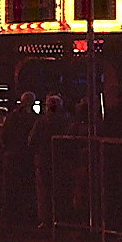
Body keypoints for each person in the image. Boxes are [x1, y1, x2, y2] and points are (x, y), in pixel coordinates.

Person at [28, 94, 72, 228]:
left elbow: (32, 140)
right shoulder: (67, 120)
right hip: (62, 160)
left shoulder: (41, 121)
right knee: (62, 190)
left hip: (44, 160)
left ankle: (46, 220)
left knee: (45, 192)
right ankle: (62, 218)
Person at [1, 91, 38, 221]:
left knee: (11, 187)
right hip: (26, 156)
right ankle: (26, 214)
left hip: (12, 154)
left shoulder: (12, 116)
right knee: (26, 186)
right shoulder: (34, 118)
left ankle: (10, 214)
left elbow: (4, 134)